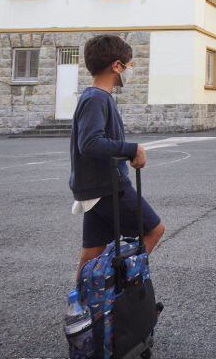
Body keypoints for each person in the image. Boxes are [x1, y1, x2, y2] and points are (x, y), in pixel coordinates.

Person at [71, 34, 166, 275]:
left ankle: (82, 305)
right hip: (108, 187)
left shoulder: (95, 97)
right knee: (154, 230)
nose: (129, 71)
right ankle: (121, 288)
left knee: (92, 252)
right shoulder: (96, 98)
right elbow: (90, 143)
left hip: (94, 189)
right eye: (129, 66)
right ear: (117, 65)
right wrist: (133, 149)